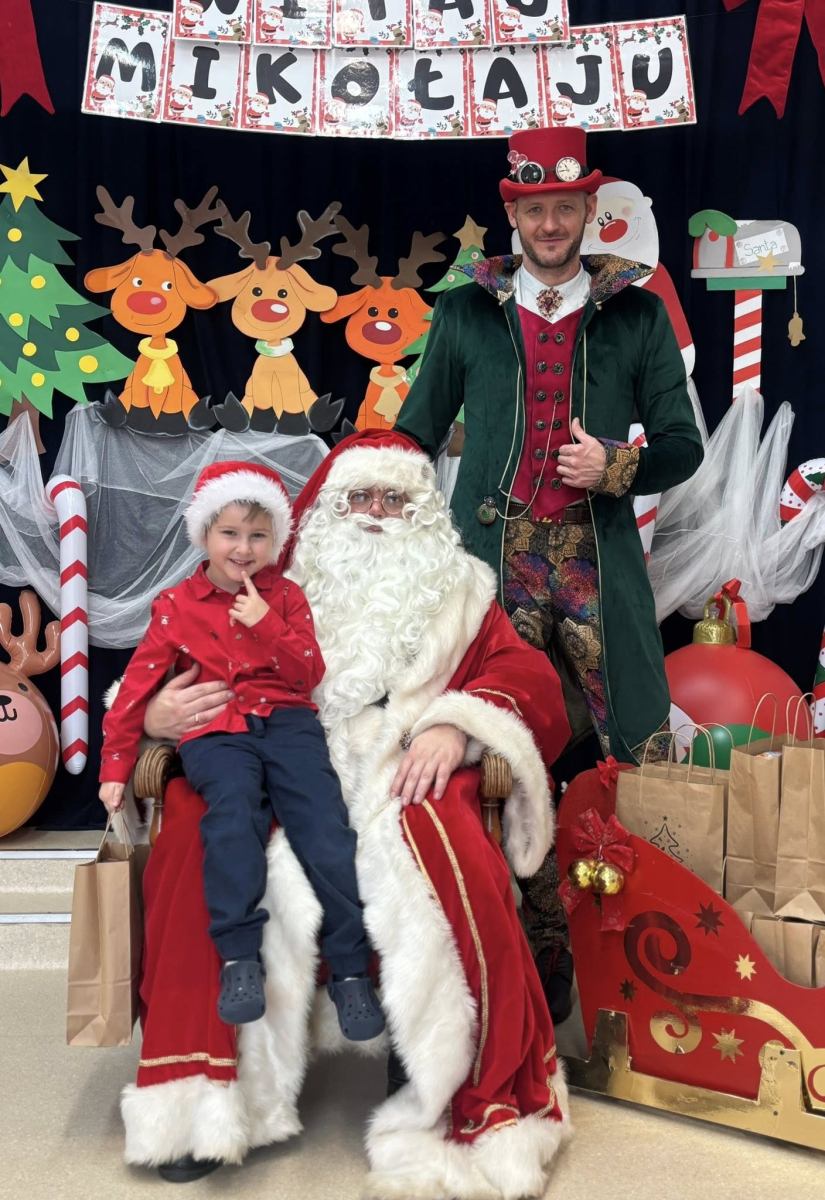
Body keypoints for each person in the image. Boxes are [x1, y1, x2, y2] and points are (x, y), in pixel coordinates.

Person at [118, 430, 572, 1197]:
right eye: (358, 496)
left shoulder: (460, 592)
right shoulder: (272, 582)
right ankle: (201, 1099)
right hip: (280, 747)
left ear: (422, 511)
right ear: (327, 509)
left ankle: (457, 1095)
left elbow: (523, 674)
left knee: (444, 835)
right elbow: (172, 659)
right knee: (199, 827)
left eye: (394, 498)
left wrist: (456, 724)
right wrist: (158, 714)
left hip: (405, 754)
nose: (375, 513)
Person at [395, 125, 704, 1022]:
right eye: (536, 210)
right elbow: (415, 432)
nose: (552, 225)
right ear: (515, 213)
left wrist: (615, 465)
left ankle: (649, 958)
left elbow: (682, 445)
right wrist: (367, 502)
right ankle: (534, 950)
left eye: (566, 208)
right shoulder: (465, 313)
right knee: (499, 760)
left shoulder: (637, 315)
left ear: (588, 210)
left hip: (598, 568)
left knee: (637, 755)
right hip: (494, 573)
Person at [99, 460, 384, 1037]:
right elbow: (135, 691)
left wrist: (266, 623)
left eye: (258, 535)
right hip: (217, 734)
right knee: (231, 816)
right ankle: (238, 960)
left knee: (325, 829)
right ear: (204, 534)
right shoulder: (176, 605)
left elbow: (307, 674)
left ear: (275, 539)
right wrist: (115, 766)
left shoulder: (287, 597)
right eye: (229, 533)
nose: (244, 548)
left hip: (289, 726)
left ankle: (352, 971)